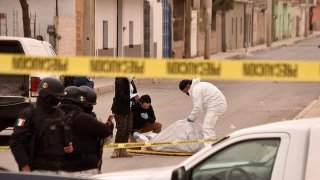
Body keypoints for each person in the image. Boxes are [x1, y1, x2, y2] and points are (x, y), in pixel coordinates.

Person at [10, 77, 73, 173]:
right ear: (46, 96)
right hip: (35, 170)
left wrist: (70, 146)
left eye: (60, 97)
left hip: (58, 169)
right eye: (57, 97)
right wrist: (24, 165)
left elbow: (66, 137)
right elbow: (16, 142)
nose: (59, 99)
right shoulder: (28, 114)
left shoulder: (60, 114)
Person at [59, 86, 113, 176]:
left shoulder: (55, 115)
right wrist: (109, 126)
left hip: (61, 168)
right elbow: (105, 132)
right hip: (84, 168)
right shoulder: (83, 117)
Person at [179, 79, 227, 146]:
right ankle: (212, 146)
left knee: (207, 128)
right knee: (208, 127)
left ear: (188, 86)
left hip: (216, 107)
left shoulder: (196, 89)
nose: (187, 93)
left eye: (186, 91)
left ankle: (208, 149)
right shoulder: (199, 86)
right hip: (216, 106)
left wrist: (190, 119)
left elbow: (198, 107)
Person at [110, 77, 138, 158]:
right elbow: (120, 96)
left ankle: (123, 150)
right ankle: (116, 150)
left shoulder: (131, 81)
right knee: (121, 129)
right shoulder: (120, 81)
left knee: (128, 129)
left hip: (129, 108)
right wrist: (131, 97)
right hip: (120, 109)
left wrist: (136, 97)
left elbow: (134, 92)